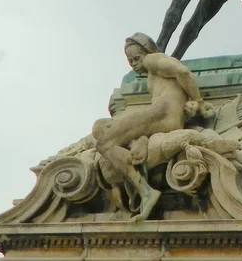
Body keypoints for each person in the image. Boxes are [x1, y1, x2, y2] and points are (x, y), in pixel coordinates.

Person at [92, 33, 214, 221]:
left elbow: (183, 72)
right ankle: (141, 181)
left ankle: (145, 190)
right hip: (165, 118)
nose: (132, 63)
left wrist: (198, 100)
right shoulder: (153, 73)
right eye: (129, 60)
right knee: (108, 132)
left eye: (136, 57)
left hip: (163, 113)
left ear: (146, 52)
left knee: (104, 142)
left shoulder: (153, 59)